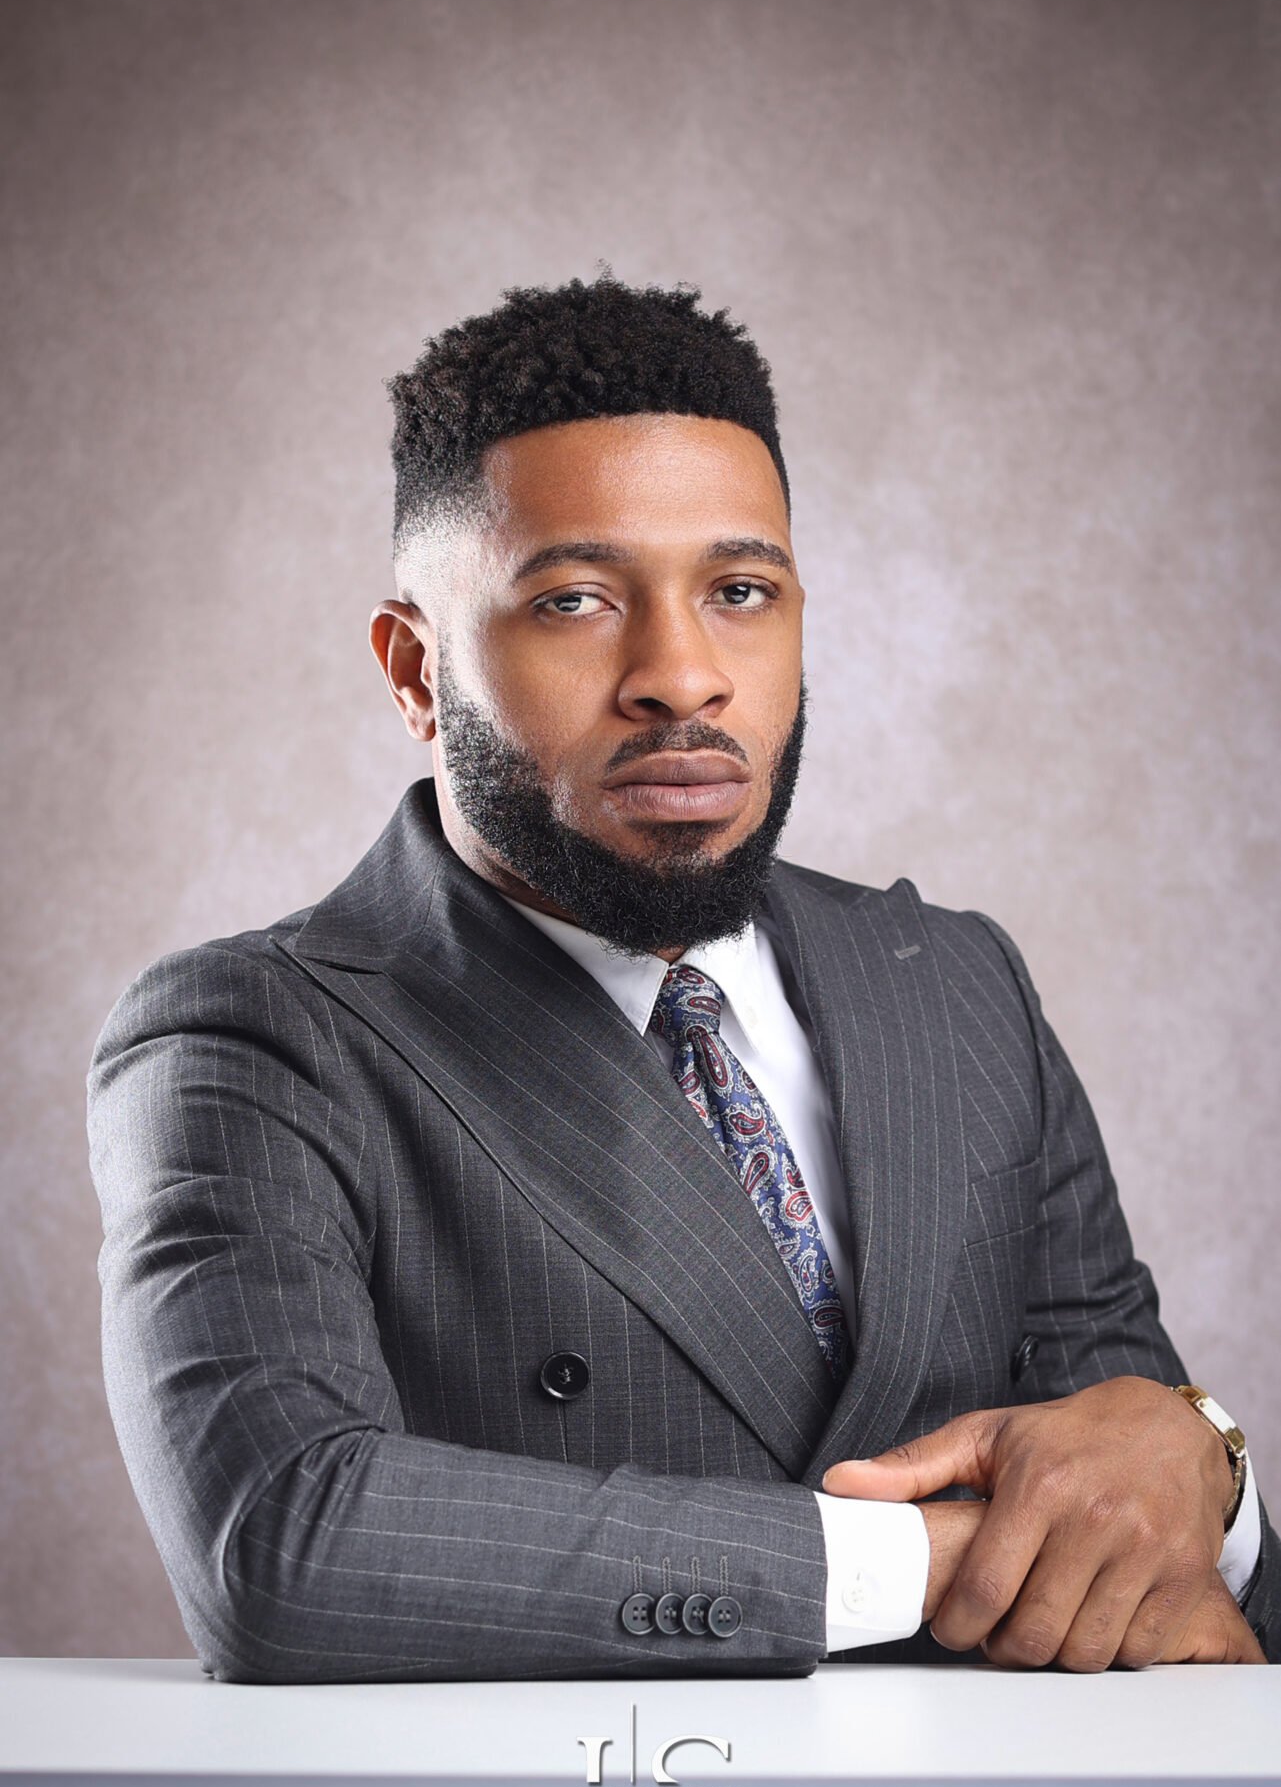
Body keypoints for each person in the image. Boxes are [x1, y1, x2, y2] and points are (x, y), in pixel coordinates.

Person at [87, 277, 1275, 1682]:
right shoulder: (258, 1037)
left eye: (737, 591)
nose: (680, 674)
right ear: (415, 669)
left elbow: (1134, 1499)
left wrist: (1207, 1471)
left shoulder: (952, 982)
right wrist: (924, 1562)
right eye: (576, 600)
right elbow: (282, 1541)